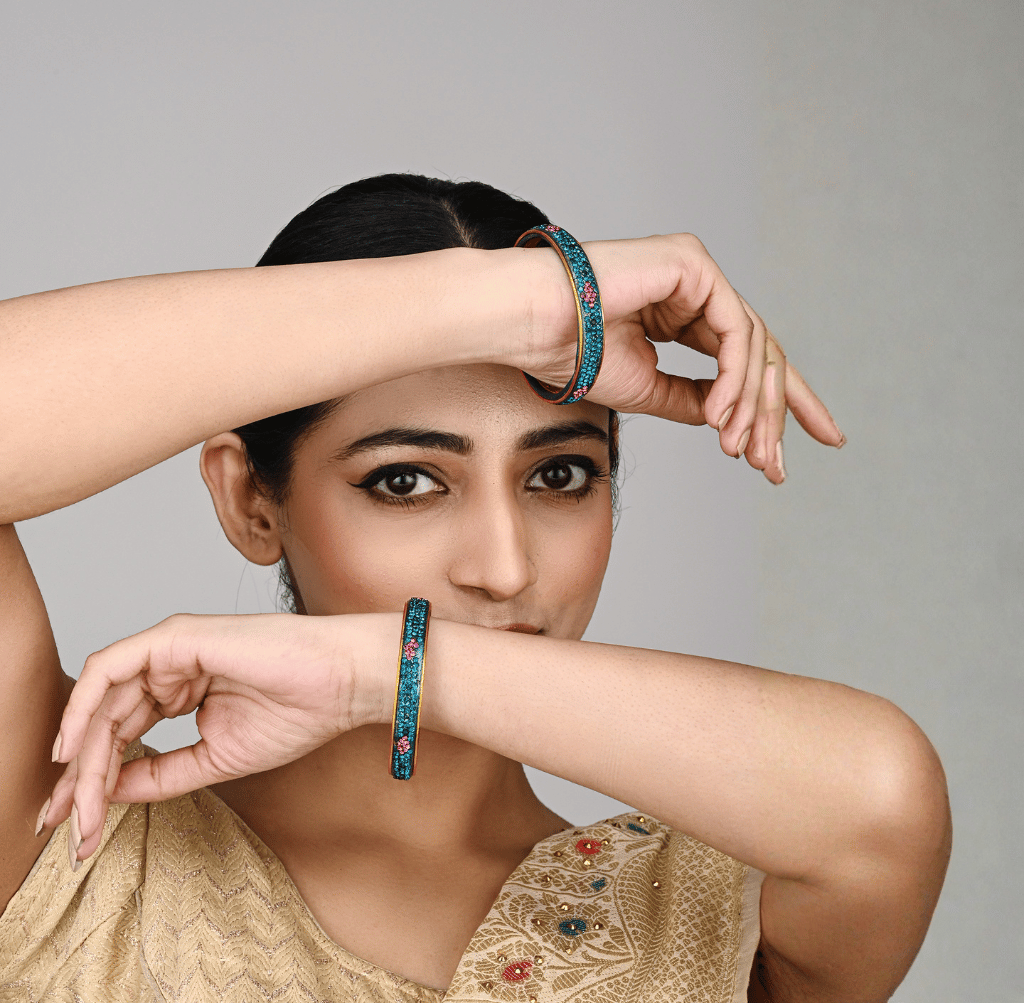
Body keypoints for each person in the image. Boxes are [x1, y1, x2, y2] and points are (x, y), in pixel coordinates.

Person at [0, 175, 950, 1002]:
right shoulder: (64, 852)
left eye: (559, 477)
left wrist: (383, 671)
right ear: (252, 501)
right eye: (406, 481)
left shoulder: (709, 917)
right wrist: (525, 307)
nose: (504, 567)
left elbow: (883, 797)